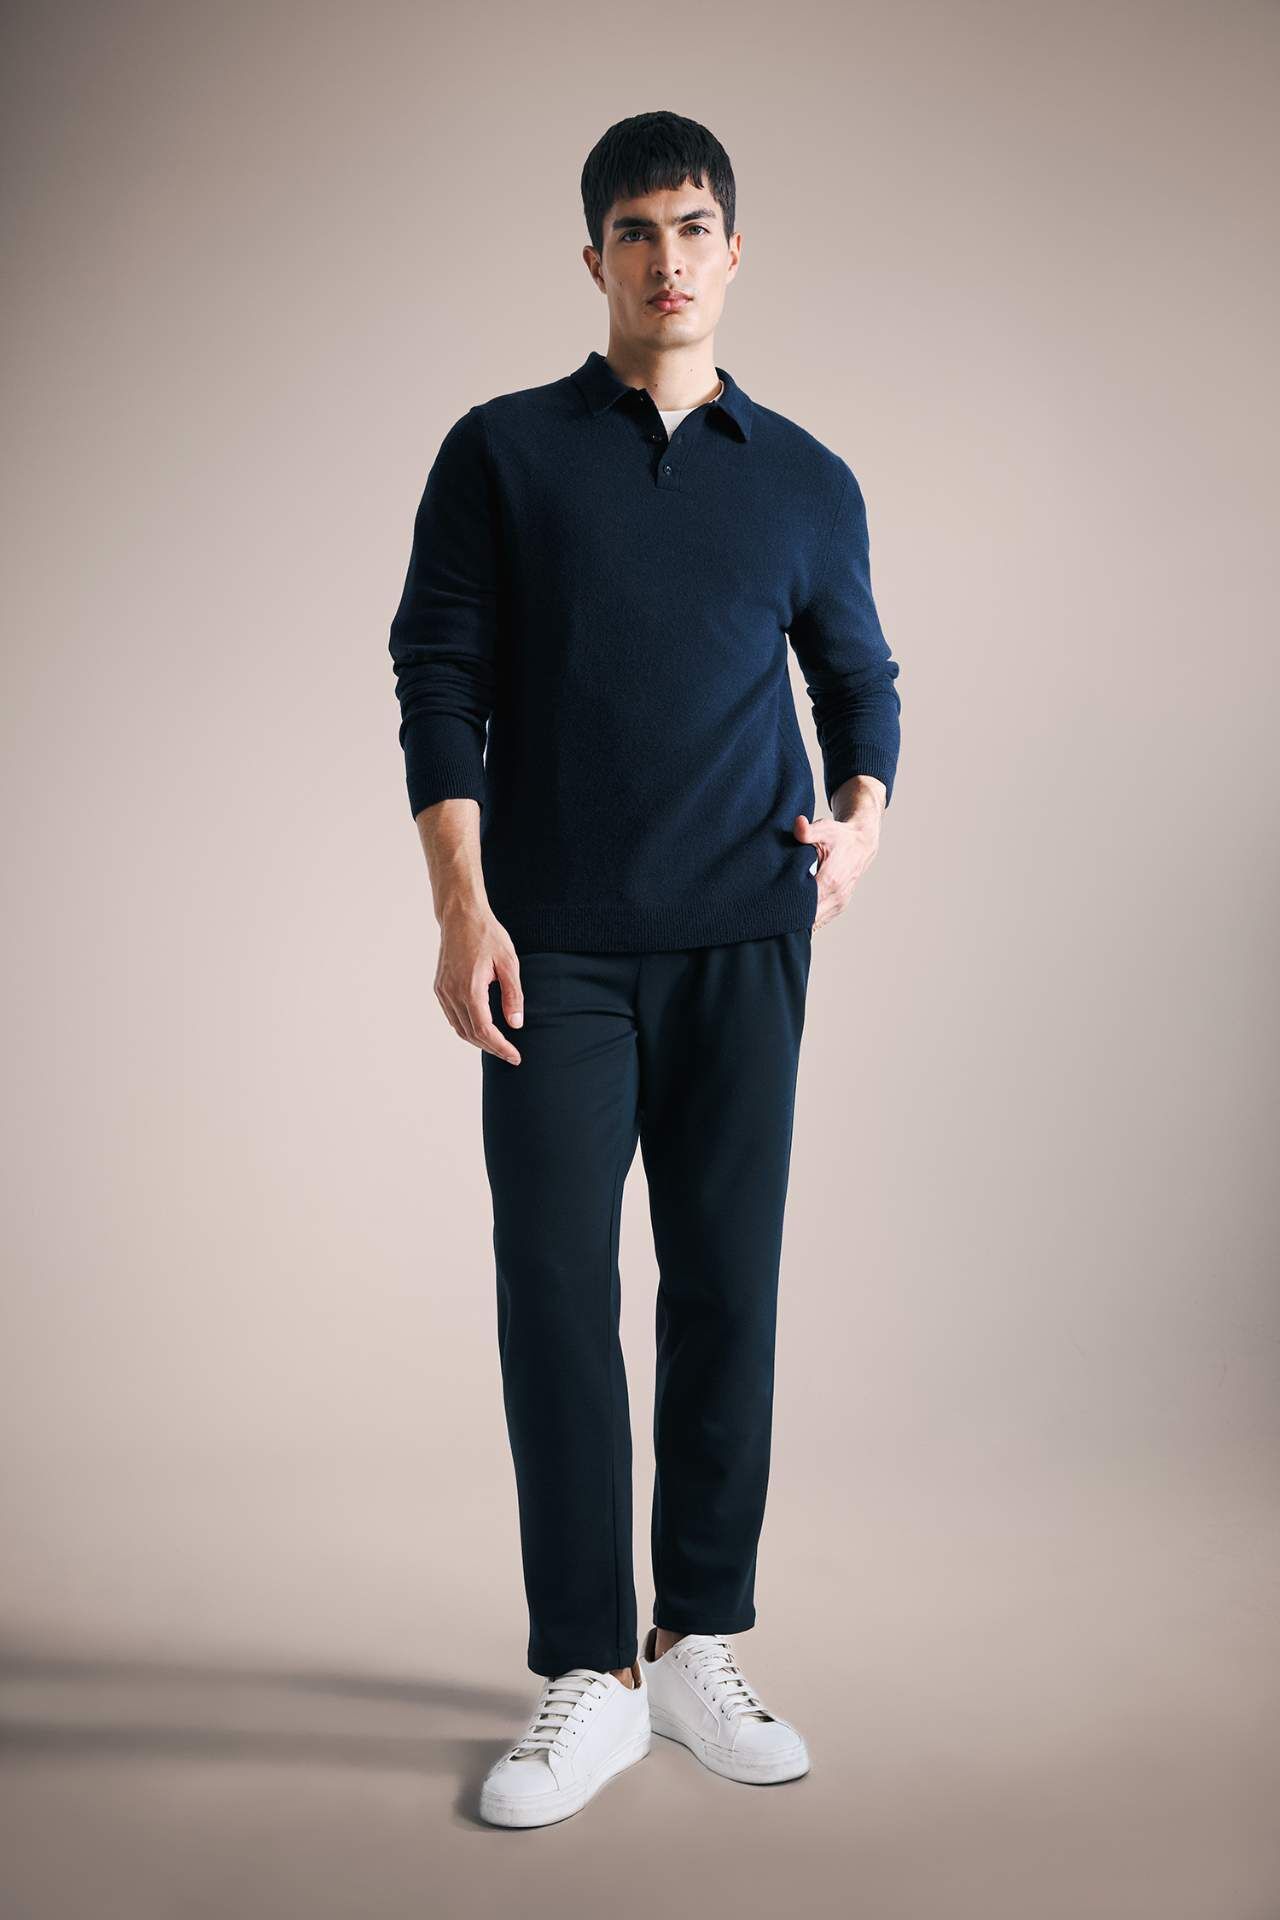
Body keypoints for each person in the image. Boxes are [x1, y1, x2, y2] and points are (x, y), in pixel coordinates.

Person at [387, 109, 902, 1829]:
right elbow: (437, 676)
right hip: (555, 945)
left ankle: (696, 1643)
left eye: (693, 228)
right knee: (554, 1291)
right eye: (634, 230)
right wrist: (462, 907)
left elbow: (860, 685)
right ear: (593, 256)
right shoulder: (503, 452)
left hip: (745, 935)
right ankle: (586, 1674)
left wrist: (862, 822)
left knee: (727, 1288)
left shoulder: (805, 476)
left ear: (733, 253)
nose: (666, 258)